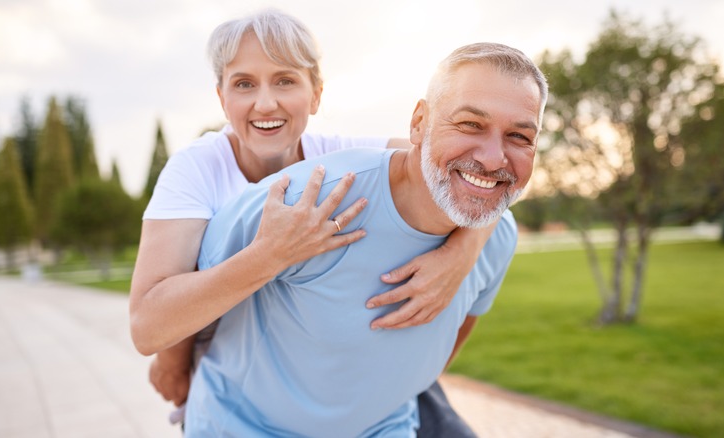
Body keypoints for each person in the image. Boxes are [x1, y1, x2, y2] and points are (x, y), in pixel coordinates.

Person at [129, 9, 496, 435]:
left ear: (316, 94)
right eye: (244, 84)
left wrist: (461, 253)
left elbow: (466, 173)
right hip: (246, 383)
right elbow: (147, 327)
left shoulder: (343, 155)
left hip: (351, 372)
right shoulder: (195, 171)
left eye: (285, 80)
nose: (265, 103)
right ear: (221, 97)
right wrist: (271, 255)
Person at [182, 41, 548, 437]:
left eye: (519, 136)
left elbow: (432, 360)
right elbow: (178, 302)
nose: (494, 158)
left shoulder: (495, 237)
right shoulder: (301, 200)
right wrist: (171, 369)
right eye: (470, 125)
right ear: (419, 122)